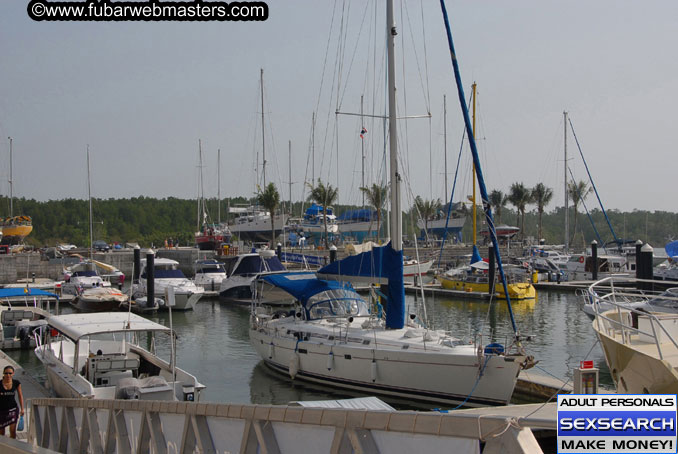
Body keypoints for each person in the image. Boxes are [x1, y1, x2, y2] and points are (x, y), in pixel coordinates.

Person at [0, 366, 24, 439]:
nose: (8, 375)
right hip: (1, 411)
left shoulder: (16, 383)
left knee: (13, 431)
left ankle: (12, 447)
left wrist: (22, 409)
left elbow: (20, 396)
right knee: (1, 432)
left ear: (13, 373)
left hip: (13, 410)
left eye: (10, 373)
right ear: (3, 374)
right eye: (6, 373)